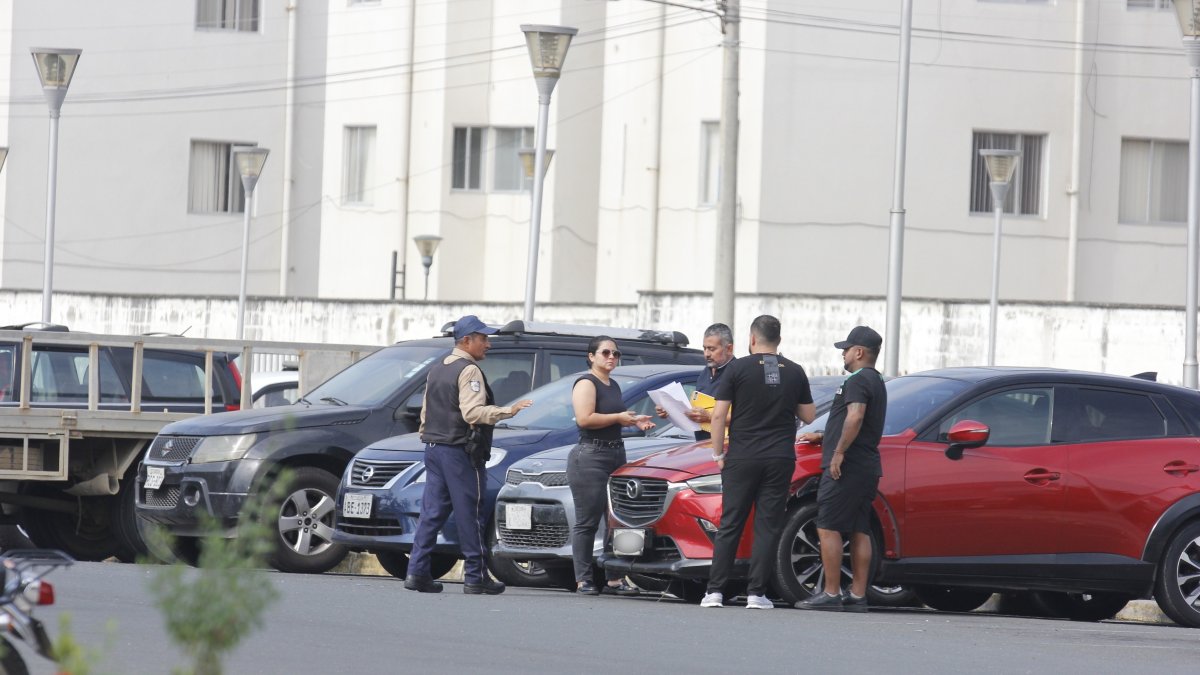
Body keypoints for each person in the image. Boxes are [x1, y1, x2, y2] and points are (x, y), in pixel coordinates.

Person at [404, 315, 533, 595]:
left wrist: (430, 437)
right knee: (470, 513)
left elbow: (426, 413)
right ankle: (476, 576)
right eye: (483, 338)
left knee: (431, 513)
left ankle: (416, 571)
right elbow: (472, 413)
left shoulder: (437, 368)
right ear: (466, 340)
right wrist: (508, 411)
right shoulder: (469, 370)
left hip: (434, 448)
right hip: (458, 451)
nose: (488, 344)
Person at [701, 315, 815, 609]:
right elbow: (808, 415)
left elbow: (718, 415)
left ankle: (715, 592)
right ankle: (756, 594)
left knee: (731, 523)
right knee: (767, 525)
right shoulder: (795, 371)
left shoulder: (736, 368)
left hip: (742, 456)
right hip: (779, 457)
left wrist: (718, 454)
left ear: (752, 339)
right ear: (779, 340)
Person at [795, 325, 887, 613]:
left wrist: (837, 452)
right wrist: (825, 436)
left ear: (859, 352)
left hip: (847, 466)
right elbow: (861, 422)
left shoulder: (858, 380)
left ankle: (831, 592)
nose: (843, 354)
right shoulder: (876, 380)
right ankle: (857, 595)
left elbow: (856, 416)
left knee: (828, 526)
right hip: (866, 465)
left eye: (846, 349)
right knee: (860, 529)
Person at [569, 336, 655, 596]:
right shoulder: (587, 382)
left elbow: (614, 419)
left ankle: (615, 579)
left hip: (616, 452)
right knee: (588, 521)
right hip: (591, 455)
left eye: (616, 354)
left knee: (617, 519)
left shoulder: (613, 384)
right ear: (591, 356)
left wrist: (635, 421)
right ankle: (584, 579)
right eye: (605, 353)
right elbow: (585, 419)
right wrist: (618, 417)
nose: (611, 357)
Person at [655, 323, 736, 441]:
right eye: (704, 348)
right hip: (701, 445)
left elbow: (747, 416)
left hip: (726, 446)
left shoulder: (739, 373)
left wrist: (709, 416)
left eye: (712, 349)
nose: (706, 354)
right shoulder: (705, 372)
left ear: (729, 349)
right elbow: (695, 411)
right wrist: (670, 410)